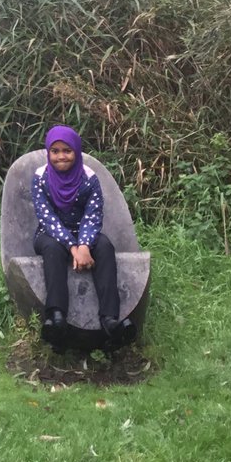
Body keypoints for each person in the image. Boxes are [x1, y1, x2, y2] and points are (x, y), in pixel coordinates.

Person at [31, 125, 135, 351]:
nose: (61, 156)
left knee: (105, 247)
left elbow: (93, 214)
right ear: (48, 153)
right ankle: (56, 317)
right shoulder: (41, 178)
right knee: (52, 249)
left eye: (67, 150)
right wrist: (72, 246)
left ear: (76, 152)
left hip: (86, 232)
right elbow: (46, 217)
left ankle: (110, 320)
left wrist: (85, 245)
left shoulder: (89, 178)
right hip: (50, 234)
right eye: (55, 151)